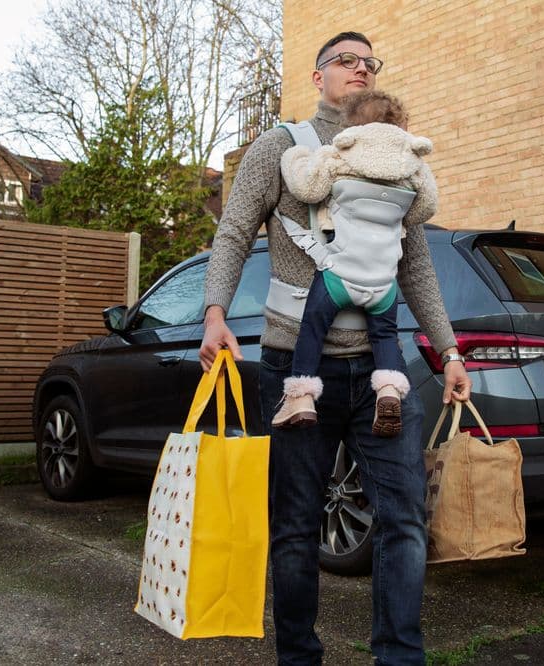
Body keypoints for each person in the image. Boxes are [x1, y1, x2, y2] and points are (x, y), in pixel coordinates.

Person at [199, 31, 471, 666]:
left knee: (403, 521)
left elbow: (418, 268)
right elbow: (236, 230)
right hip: (295, 364)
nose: (361, 68)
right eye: (347, 60)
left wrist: (450, 351)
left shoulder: (399, 157)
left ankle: (399, 657)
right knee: (295, 527)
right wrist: (215, 311)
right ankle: (298, 658)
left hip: (380, 373)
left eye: (370, 62)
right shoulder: (281, 148)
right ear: (318, 76)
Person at [271, 89, 439, 439]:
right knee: (385, 337)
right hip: (383, 284)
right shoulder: (414, 167)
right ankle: (389, 390)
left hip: (339, 276)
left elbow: (307, 189)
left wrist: (297, 156)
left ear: (352, 124)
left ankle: (300, 396)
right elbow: (423, 210)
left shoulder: (341, 153)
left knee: (312, 331)